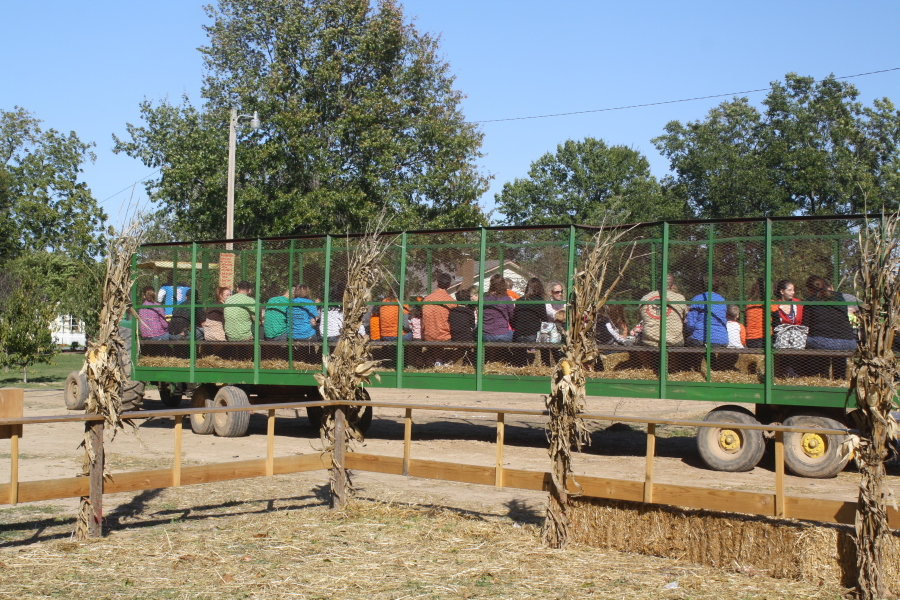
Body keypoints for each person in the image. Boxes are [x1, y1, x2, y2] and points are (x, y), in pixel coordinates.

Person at [803, 275, 856, 379]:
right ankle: (840, 378)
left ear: (809, 290)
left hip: (823, 342)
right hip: (848, 342)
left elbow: (805, 325)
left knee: (809, 340)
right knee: (836, 347)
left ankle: (821, 374)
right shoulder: (839, 297)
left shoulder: (810, 300)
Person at [638, 274, 686, 347]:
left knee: (639, 338)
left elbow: (640, 317)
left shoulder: (646, 297)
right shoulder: (679, 298)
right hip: (673, 340)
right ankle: (673, 359)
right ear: (672, 285)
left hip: (650, 339)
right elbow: (685, 316)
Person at [511, 277, 550, 366]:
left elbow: (514, 318)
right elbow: (545, 319)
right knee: (546, 342)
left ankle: (521, 366)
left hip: (519, 335)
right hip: (532, 336)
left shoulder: (520, 300)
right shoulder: (539, 301)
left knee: (520, 349)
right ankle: (546, 365)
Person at [684, 276, 728, 348]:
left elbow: (690, 324)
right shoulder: (722, 300)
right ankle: (712, 360)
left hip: (700, 338)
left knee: (689, 342)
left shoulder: (698, 298)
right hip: (721, 339)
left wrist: (688, 331)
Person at [422, 273, 456, 342]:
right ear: (449, 285)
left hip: (428, 336)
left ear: (437, 283)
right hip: (445, 337)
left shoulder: (427, 299)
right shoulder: (451, 301)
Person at [481, 274, 514, 342]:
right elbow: (512, 316)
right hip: (502, 333)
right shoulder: (506, 299)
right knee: (516, 336)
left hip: (485, 334)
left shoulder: (484, 298)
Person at [744, 278, 765, 348]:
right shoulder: (771, 303)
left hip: (750, 339)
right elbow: (776, 321)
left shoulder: (749, 303)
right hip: (764, 338)